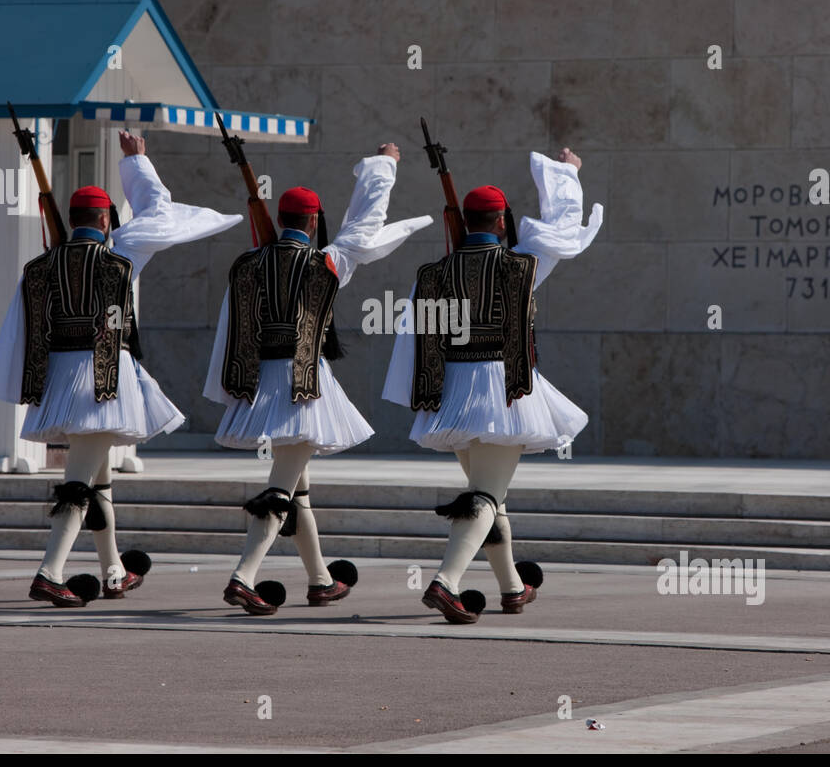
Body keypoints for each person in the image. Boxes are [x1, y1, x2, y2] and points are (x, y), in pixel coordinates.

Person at [0, 129, 242, 606]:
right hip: (104, 381)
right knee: (78, 482)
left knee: (98, 477)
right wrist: (136, 163)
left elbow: (22, 333)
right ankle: (49, 571)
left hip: (59, 378)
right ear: (105, 219)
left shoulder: (40, 267)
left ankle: (114, 571)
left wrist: (29, 386)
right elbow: (161, 213)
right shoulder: (122, 250)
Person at [203, 143, 431, 615]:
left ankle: (320, 580)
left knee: (297, 485)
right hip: (303, 384)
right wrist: (385, 164)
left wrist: (228, 388)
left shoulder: (246, 265)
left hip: (259, 381)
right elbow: (364, 225)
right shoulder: (327, 262)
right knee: (282, 487)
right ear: (311, 223)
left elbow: (231, 330)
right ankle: (244, 576)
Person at [382, 148, 602, 623]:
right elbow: (562, 231)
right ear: (503, 222)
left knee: (491, 494)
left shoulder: (433, 275)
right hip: (504, 391)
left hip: (452, 395)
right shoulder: (524, 265)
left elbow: (416, 339)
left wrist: (420, 398)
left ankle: (512, 586)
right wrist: (566, 174)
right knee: (484, 495)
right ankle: (446, 582)